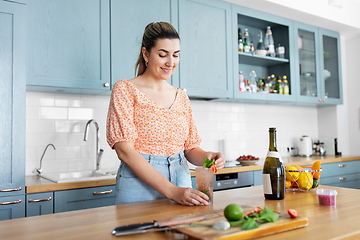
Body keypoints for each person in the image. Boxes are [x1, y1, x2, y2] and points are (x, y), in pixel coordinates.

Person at [106, 22, 225, 206]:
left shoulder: (181, 97)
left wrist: (208, 156)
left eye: (176, 55)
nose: (170, 63)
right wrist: (172, 192)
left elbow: (190, 149)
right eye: (163, 55)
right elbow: (125, 151)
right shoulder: (125, 89)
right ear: (146, 53)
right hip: (138, 186)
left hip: (181, 181)